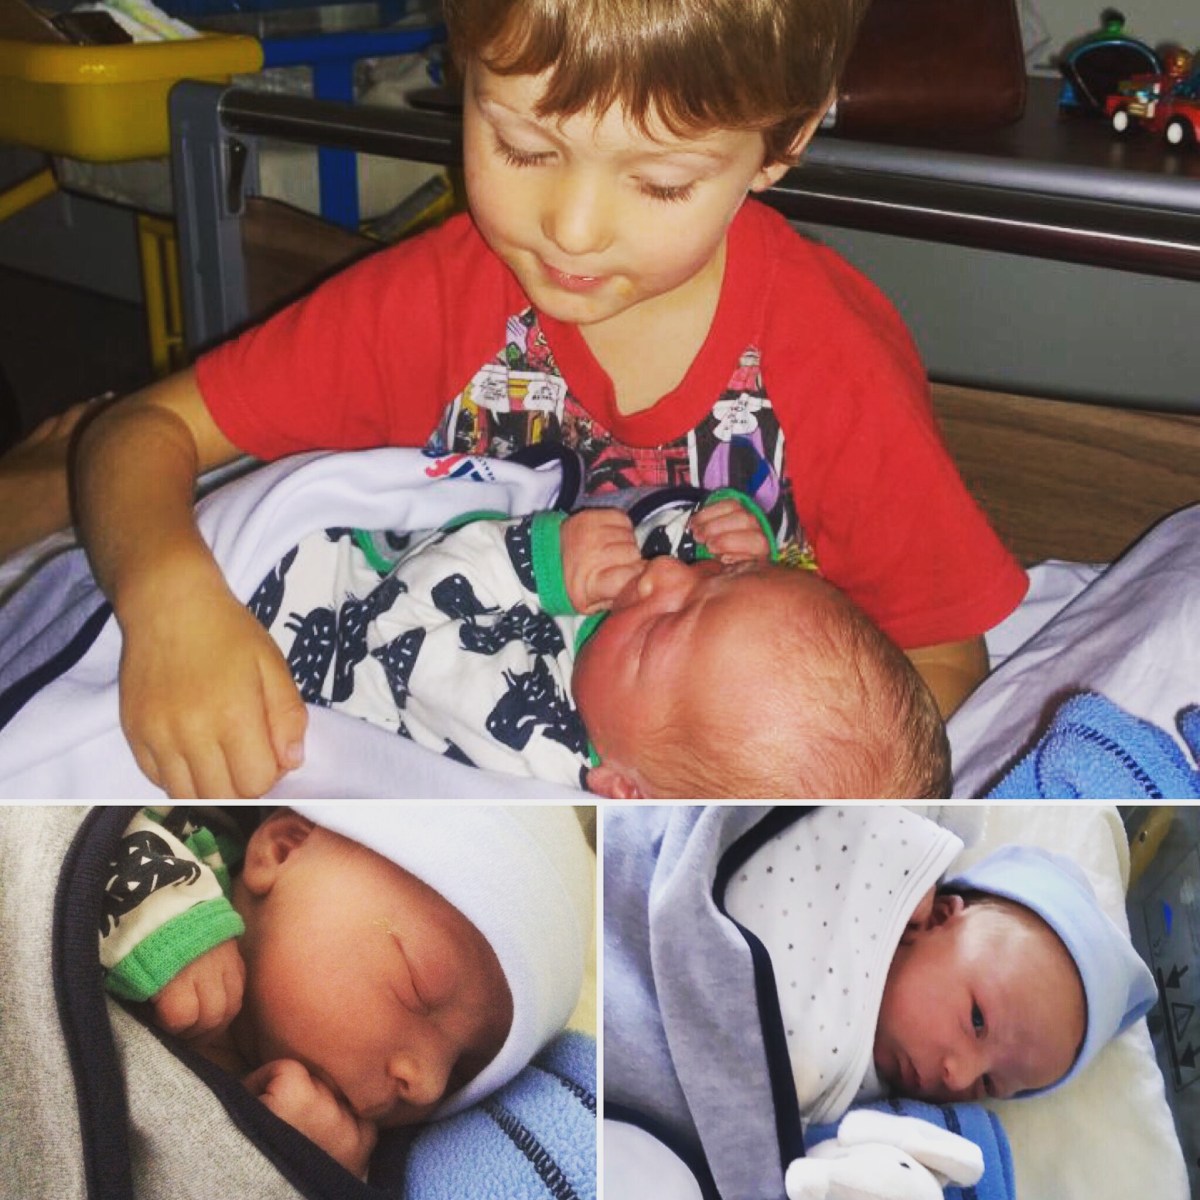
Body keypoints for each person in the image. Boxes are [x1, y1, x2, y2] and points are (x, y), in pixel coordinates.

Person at [4, 0, 1028, 797]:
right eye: (525, 148)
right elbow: (142, 433)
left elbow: (940, 662)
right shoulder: (435, 303)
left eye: (661, 182)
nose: (571, 229)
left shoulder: (827, 356)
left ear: (786, 140)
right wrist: (172, 606)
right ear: (464, 73)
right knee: (57, 506)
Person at [603, 806, 1158, 1199]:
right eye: (977, 1020)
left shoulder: (880, 1117)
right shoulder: (879, 854)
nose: (958, 1075)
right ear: (941, 914)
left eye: (990, 1084)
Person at [251, 488, 950, 797]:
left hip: (301, 608)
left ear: (623, 788)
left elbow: (396, 628)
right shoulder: (640, 692)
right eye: (718, 580)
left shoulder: (522, 745)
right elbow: (661, 542)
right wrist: (730, 537)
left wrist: (535, 563)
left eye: (666, 626)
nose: (665, 577)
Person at [100, 803, 594, 1179]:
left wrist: (307, 1169)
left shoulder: (362, 1158)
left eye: (463, 1071)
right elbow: (69, 830)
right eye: (419, 989)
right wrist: (166, 914)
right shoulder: (177, 840)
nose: (427, 1084)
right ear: (284, 849)